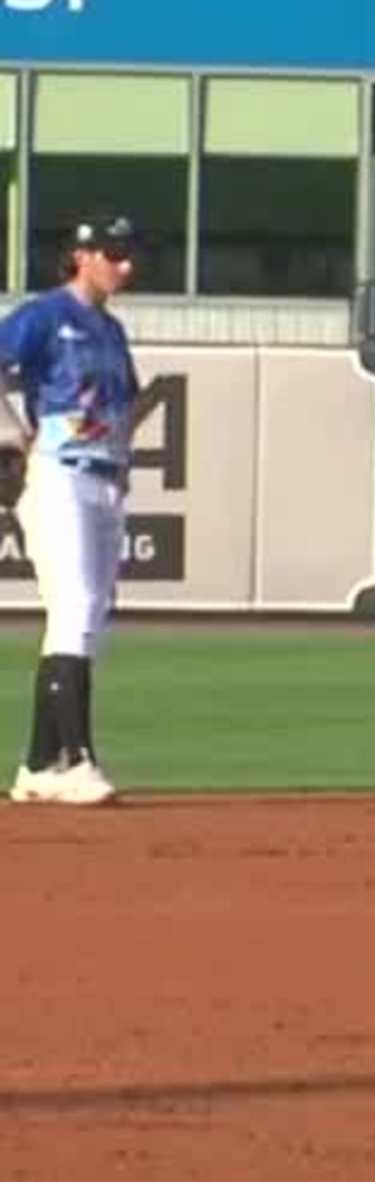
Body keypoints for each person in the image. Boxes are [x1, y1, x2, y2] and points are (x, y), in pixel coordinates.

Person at [0, 215, 157, 805]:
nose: (126, 266)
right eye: (114, 254)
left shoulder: (110, 331)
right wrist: (13, 433)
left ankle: (40, 765)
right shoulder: (45, 315)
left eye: (128, 253)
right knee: (77, 606)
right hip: (61, 476)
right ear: (81, 255)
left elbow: (128, 402)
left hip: (106, 479)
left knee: (85, 620)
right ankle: (75, 759)